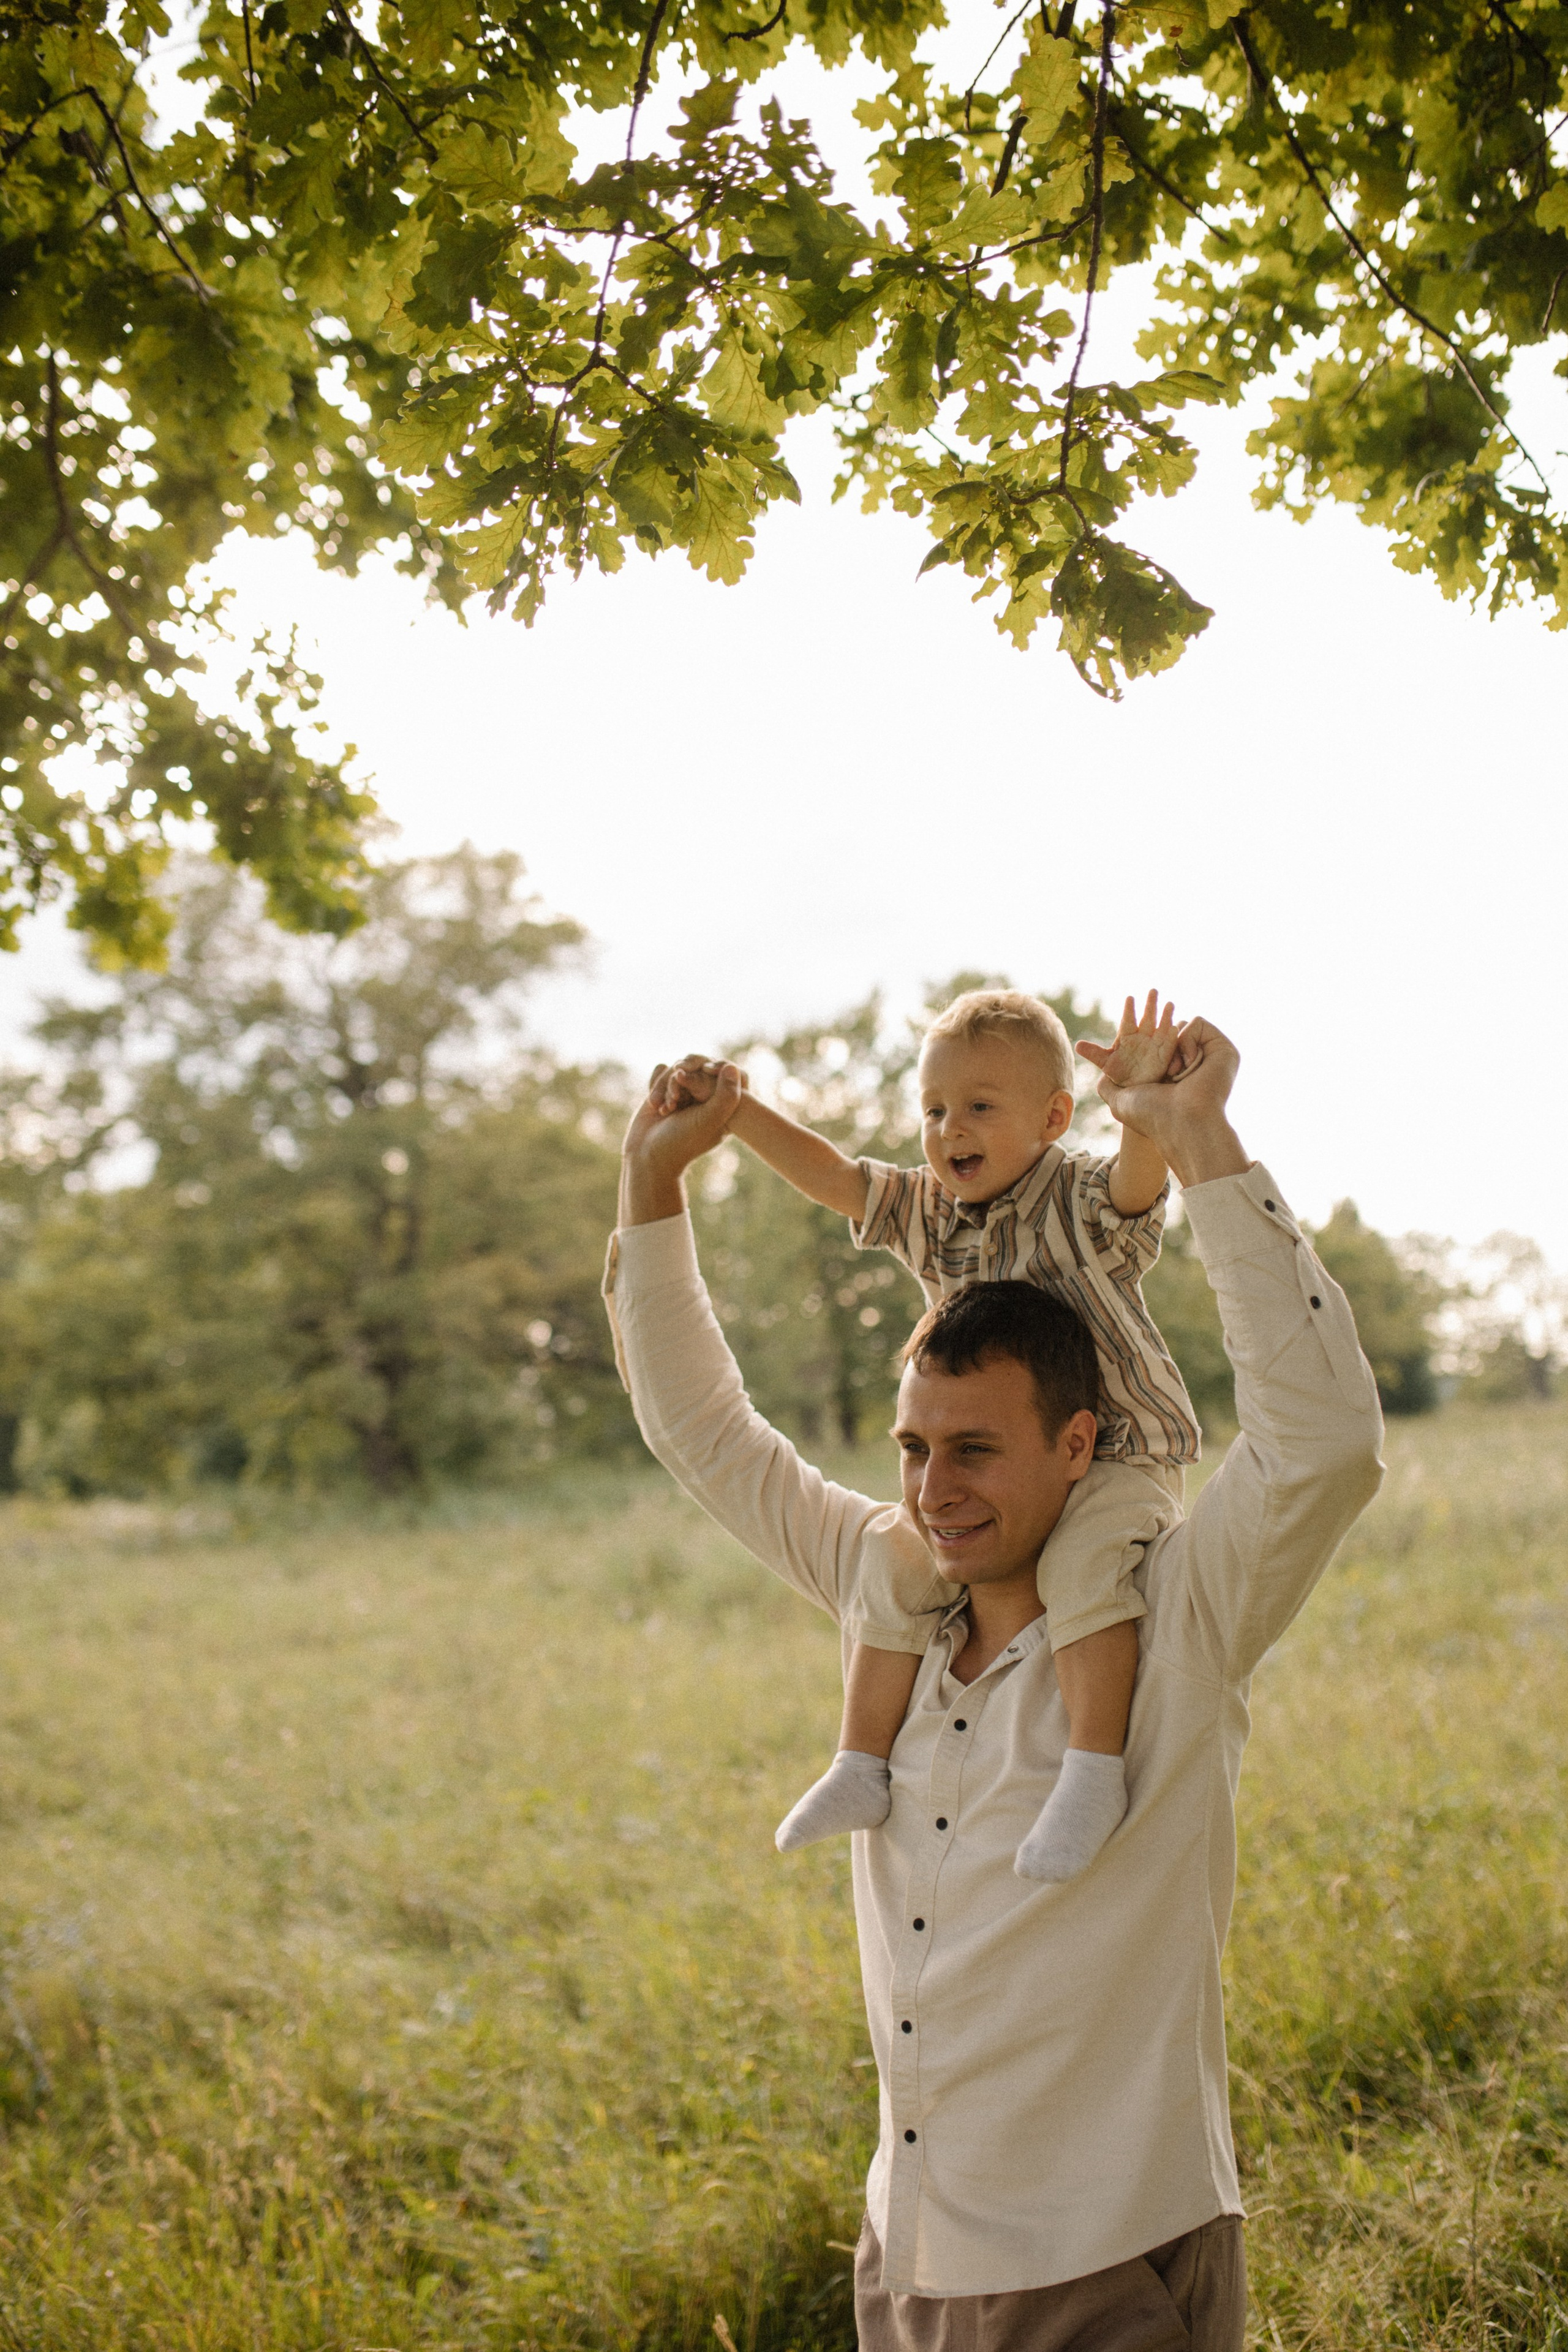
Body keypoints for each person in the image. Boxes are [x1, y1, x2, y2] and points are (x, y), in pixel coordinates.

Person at [603, 1017, 1383, 2349]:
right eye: (912, 1448)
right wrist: (652, 1185)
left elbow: (1322, 1447)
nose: (930, 1491)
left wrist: (1195, 1144)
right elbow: (704, 1435)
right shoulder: (881, 1581)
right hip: (903, 2264)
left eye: (973, 1450)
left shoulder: (1181, 1623)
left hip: (1106, 2262)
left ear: (1079, 1445)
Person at [653, 987, 1198, 1882]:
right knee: (893, 1561)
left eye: (980, 1108)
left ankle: (1093, 1773)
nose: (951, 1131)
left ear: (1054, 1117)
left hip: (1115, 1456)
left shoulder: (1078, 1196)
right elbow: (837, 1179)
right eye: (934, 1111)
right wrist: (738, 1114)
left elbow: (1139, 1186)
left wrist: (1142, 1114)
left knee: (1081, 1569)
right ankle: (861, 1764)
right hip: (989, 1472)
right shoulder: (931, 1214)